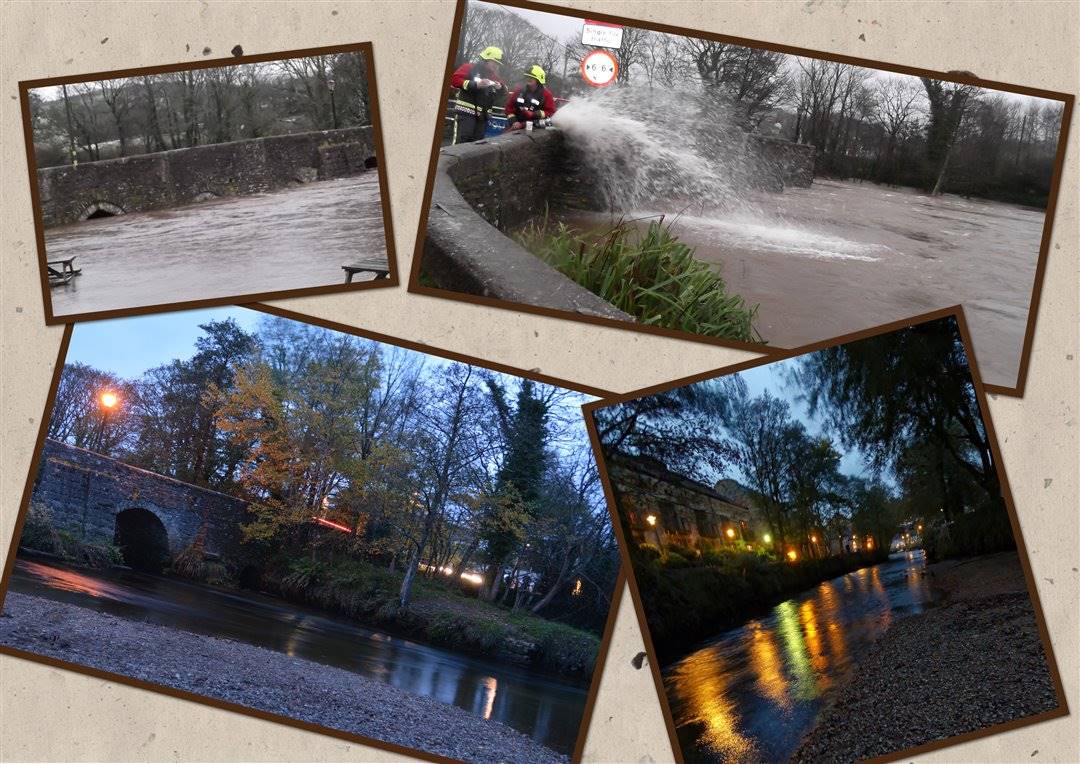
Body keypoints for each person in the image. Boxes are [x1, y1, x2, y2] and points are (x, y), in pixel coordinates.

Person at [449, 46, 507, 144]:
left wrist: (500, 88)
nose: (496, 66)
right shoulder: (469, 67)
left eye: (498, 64)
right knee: (461, 143)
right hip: (466, 114)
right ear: (486, 59)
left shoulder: (494, 77)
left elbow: (504, 91)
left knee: (477, 145)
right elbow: (454, 79)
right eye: (494, 62)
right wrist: (475, 85)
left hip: (482, 117)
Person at [505, 65, 557, 131]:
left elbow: (551, 112)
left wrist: (535, 114)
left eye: (531, 77)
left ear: (538, 80)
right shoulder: (519, 91)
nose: (528, 79)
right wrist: (513, 121)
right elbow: (509, 108)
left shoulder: (546, 95)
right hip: (515, 126)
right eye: (528, 77)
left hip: (535, 129)